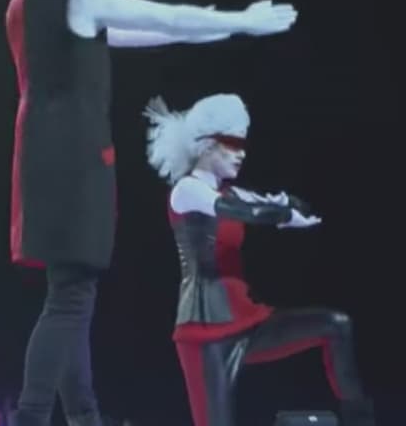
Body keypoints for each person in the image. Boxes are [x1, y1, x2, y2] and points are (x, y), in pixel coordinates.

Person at [0, 0, 299, 426]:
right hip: (74, 160)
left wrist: (222, 29)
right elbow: (166, 17)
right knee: (71, 298)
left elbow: (148, 31)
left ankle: (84, 416)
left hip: (40, 158)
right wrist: (242, 21)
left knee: (70, 293)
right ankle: (32, 416)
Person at [143, 94, 376, 426]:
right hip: (204, 332)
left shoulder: (232, 192)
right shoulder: (186, 191)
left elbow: (276, 205)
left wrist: (290, 207)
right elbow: (249, 213)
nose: (242, 154)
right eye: (233, 144)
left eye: (244, 144)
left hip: (247, 322)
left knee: (336, 325)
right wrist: (283, 213)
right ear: (206, 145)